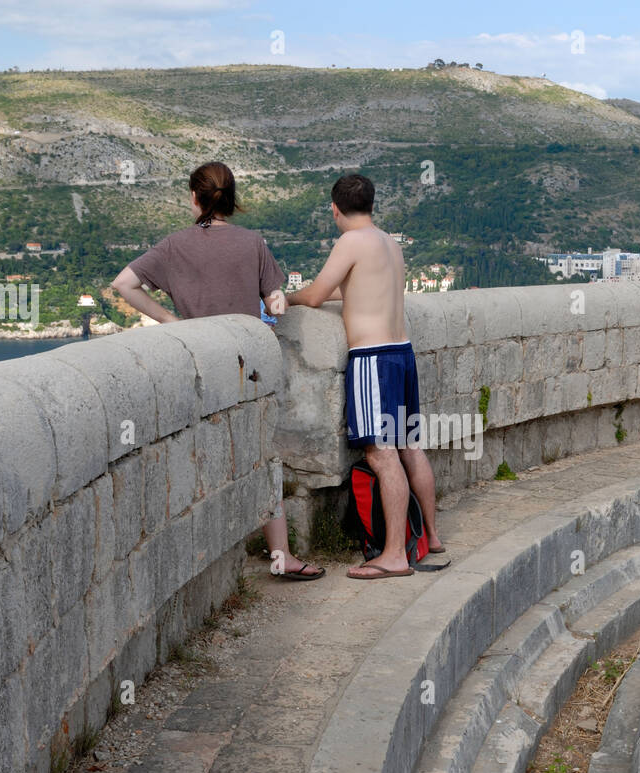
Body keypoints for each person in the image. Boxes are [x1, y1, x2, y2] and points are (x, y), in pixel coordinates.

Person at [111, 161, 324, 582]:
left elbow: (123, 284)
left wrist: (173, 324)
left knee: (201, 461)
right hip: (249, 367)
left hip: (199, 363)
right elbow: (276, 300)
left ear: (194, 197)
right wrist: (271, 305)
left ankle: (204, 570)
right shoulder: (253, 243)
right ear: (231, 200)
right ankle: (281, 555)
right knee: (260, 458)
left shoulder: (173, 246)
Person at [287, 173, 444, 580]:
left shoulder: (350, 241)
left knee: (380, 453)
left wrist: (283, 297)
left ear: (335, 209)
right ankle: (431, 535)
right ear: (372, 204)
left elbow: (317, 295)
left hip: (372, 359)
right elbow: (358, 289)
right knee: (409, 445)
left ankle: (393, 554)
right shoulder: (389, 242)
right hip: (401, 353)